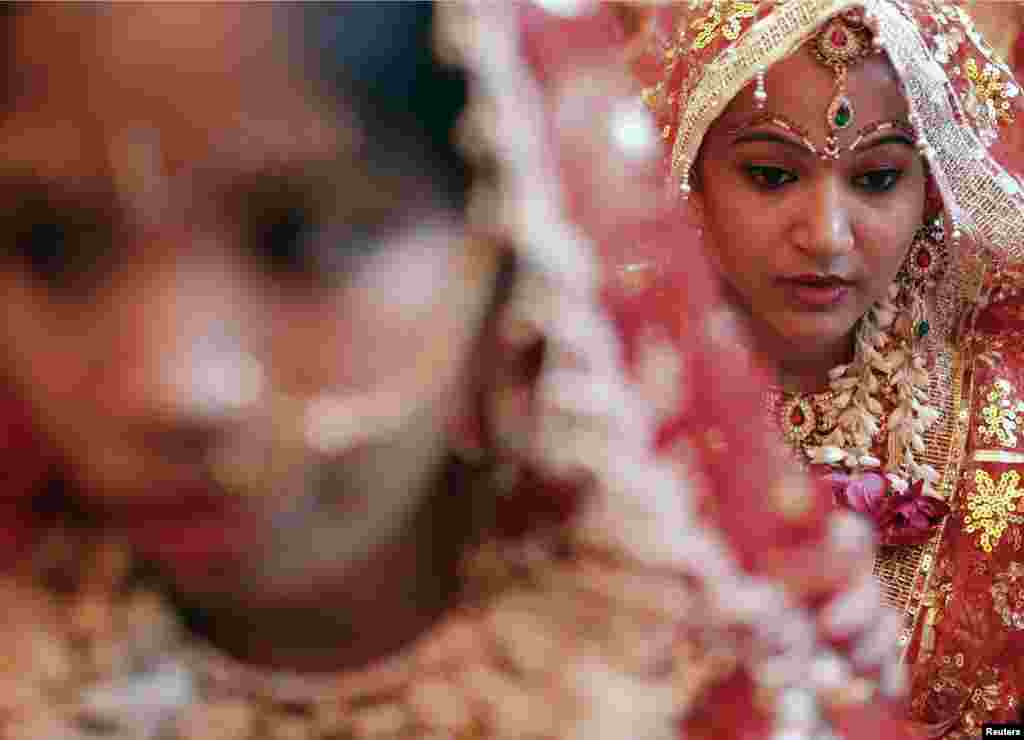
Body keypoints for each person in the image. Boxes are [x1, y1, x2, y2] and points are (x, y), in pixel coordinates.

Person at [0, 3, 909, 738]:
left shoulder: (702, 690)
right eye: (51, 245)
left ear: (516, 236)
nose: (171, 385)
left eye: (302, 239)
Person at [637, 0, 1024, 735]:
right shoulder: (602, 409)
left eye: (877, 179)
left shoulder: (1001, 413)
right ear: (693, 178)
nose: (826, 235)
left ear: (933, 193)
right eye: (771, 174)